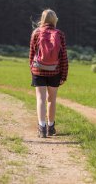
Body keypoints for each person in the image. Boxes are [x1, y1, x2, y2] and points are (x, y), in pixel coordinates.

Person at [29, 9, 68, 138]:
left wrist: (32, 69)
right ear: (54, 20)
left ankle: (42, 127)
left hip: (38, 70)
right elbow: (63, 57)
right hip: (55, 71)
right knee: (52, 99)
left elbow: (32, 54)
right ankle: (51, 127)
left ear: (43, 19)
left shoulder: (36, 33)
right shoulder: (60, 34)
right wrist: (63, 75)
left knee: (40, 99)